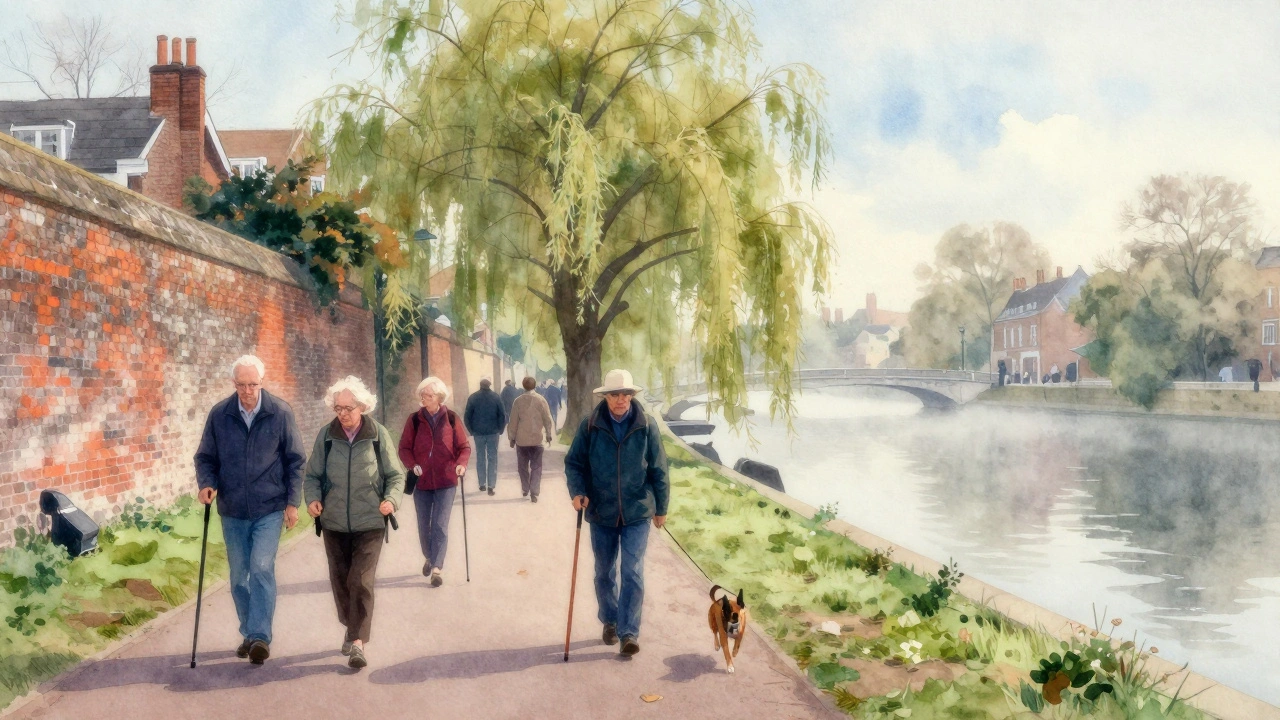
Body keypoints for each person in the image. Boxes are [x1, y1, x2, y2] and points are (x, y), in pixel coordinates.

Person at [194, 354, 306, 665]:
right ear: (234, 384)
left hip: (269, 507)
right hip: (232, 509)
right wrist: (207, 483)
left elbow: (295, 461)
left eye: (253, 384)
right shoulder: (220, 414)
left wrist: (292, 503)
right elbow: (205, 457)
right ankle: (249, 630)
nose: (247, 391)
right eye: (241, 385)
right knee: (237, 578)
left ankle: (260, 636)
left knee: (260, 568)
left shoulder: (280, 412)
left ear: (262, 382)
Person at [565, 368, 669, 658]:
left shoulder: (646, 425)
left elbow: (660, 469)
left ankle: (629, 632)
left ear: (632, 396)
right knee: (604, 572)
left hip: (637, 511)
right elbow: (574, 464)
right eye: (615, 394)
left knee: (632, 571)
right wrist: (577, 492)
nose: (621, 399)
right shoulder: (590, 426)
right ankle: (610, 620)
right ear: (606, 397)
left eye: (626, 394)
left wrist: (661, 508)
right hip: (601, 511)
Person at [303, 376, 404, 669]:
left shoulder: (377, 434)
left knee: (360, 580)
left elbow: (396, 475)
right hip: (333, 522)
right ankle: (351, 627)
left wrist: (391, 500)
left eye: (349, 407)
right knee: (341, 581)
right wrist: (312, 500)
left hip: (370, 520)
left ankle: (358, 642)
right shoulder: (326, 436)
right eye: (338, 408)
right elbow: (312, 476)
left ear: (362, 406)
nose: (343, 413)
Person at [398, 376, 471, 587]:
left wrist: (461, 464)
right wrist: (412, 465)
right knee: (424, 525)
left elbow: (464, 447)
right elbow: (404, 448)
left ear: (438, 396)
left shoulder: (451, 418)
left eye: (427, 395)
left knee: (440, 524)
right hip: (421, 483)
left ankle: (437, 567)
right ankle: (429, 557)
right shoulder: (414, 420)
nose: (423, 398)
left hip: (446, 481)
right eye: (421, 394)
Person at [508, 376, 554, 502]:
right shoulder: (541, 400)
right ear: (535, 386)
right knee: (536, 466)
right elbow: (547, 419)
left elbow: (513, 422)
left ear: (523, 385)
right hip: (537, 439)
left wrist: (511, 438)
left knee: (522, 466)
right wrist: (549, 434)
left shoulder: (518, 401)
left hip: (522, 440)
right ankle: (534, 491)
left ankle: (525, 488)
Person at [463, 377, 507, 495]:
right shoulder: (496, 397)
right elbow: (502, 415)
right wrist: (501, 429)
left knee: (480, 458)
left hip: (478, 432)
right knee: (492, 458)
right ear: (489, 385)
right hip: (493, 432)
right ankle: (491, 486)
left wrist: (471, 430)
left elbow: (467, 416)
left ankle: (481, 484)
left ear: (480, 385)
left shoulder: (473, 397)